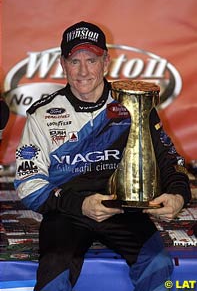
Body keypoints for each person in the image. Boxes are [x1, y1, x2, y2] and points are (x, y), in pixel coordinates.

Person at [14, 21, 191, 291]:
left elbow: (170, 161)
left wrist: (178, 195)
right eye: (75, 61)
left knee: (157, 264)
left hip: (124, 211)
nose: (83, 71)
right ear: (63, 64)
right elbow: (29, 186)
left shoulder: (133, 103)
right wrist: (80, 205)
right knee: (53, 274)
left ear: (106, 61)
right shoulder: (42, 114)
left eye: (92, 59)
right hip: (67, 213)